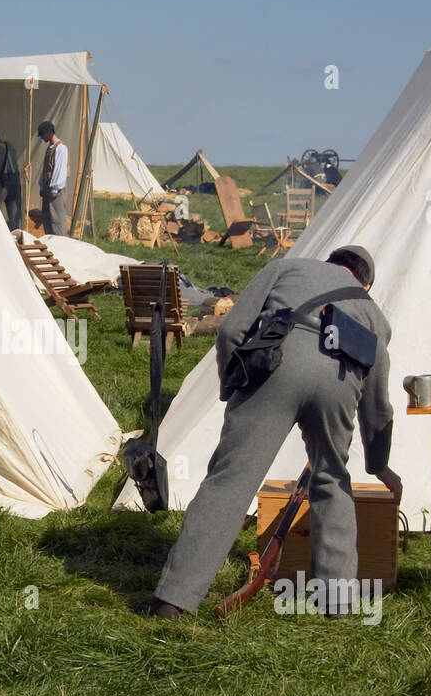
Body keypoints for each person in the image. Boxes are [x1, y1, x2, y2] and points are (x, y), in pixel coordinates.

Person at [145, 246, 403, 620]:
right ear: (365, 283)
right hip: (338, 385)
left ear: (330, 263)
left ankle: (174, 600)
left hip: (275, 367)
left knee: (230, 482)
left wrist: (231, 387)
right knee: (332, 482)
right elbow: (377, 403)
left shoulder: (287, 268)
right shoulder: (373, 313)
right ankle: (337, 603)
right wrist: (380, 466)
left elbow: (232, 329)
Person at [36, 120, 69, 236]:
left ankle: (61, 242)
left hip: (55, 186)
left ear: (49, 132)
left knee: (57, 218)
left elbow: (59, 169)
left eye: (43, 134)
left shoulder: (61, 148)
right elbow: (47, 168)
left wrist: (55, 188)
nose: (42, 138)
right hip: (48, 184)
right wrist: (42, 185)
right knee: (47, 216)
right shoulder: (50, 148)